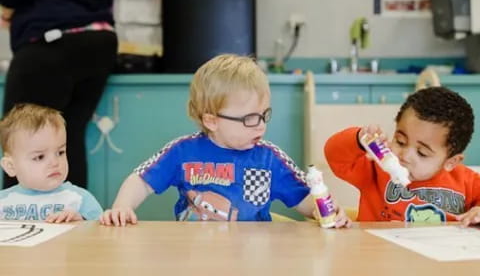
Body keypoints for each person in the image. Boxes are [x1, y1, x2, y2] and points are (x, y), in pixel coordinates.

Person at [100, 54, 351, 226]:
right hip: (194, 259)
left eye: (264, 115)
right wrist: (122, 207)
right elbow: (141, 181)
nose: (261, 125)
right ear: (211, 120)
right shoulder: (182, 152)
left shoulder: (269, 158)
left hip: (253, 260)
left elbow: (307, 201)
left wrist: (326, 211)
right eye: (250, 118)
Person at [0, 0, 118, 189]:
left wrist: (6, 9)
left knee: (22, 138)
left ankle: (20, 225)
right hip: (100, 42)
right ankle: (72, 222)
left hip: (51, 43)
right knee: (65, 139)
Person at [324, 86, 480, 226]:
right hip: (377, 255)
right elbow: (334, 155)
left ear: (451, 161)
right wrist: (359, 139)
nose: (405, 156)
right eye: (400, 141)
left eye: (422, 153)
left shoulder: (466, 181)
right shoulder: (377, 169)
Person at [0, 103, 103, 222]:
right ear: (11, 167)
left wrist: (81, 222)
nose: (55, 163)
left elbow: (103, 234)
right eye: (39, 157)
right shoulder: (3, 202)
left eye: (60, 152)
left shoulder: (80, 199)